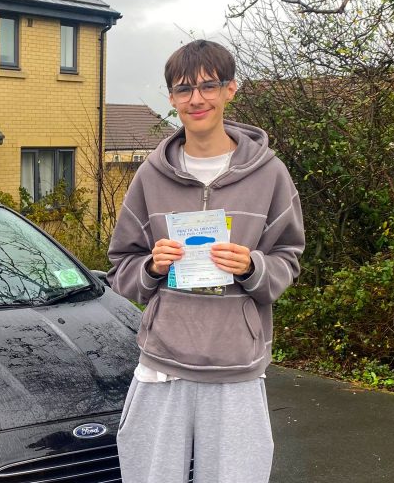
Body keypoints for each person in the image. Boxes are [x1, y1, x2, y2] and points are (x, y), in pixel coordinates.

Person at [107, 39, 305, 483]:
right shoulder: (150, 176)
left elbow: (288, 259)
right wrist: (152, 268)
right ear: (172, 99)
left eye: (208, 86)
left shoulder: (269, 174)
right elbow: (122, 267)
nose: (196, 99)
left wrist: (254, 266)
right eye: (183, 90)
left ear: (230, 89)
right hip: (163, 363)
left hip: (235, 363)